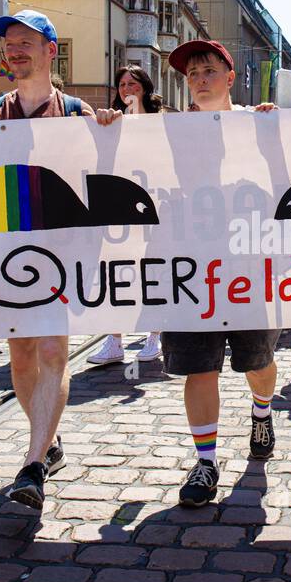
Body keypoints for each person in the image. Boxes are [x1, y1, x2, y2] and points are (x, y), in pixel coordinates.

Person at [0, 11, 122, 510]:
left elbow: (108, 176)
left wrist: (111, 134)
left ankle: (33, 464)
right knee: (22, 355)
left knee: (54, 351)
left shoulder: (76, 112)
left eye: (26, 42)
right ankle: (47, 439)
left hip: (60, 255)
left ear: (51, 50)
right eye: (10, 44)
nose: (15, 50)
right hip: (9, 256)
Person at [162, 39, 280, 508]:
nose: (199, 79)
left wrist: (273, 129)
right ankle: (206, 461)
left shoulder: (255, 123)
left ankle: (262, 411)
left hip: (247, 264)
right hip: (189, 267)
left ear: (230, 79)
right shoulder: (167, 130)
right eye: (192, 74)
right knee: (199, 366)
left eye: (208, 70)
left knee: (258, 361)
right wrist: (112, 124)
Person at [88, 64, 165, 367]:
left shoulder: (161, 121)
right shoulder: (110, 120)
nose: (127, 89)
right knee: (115, 271)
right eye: (122, 84)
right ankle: (114, 340)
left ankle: (155, 336)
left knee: (155, 271)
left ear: (145, 87)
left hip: (156, 203)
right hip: (118, 204)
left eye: (133, 84)